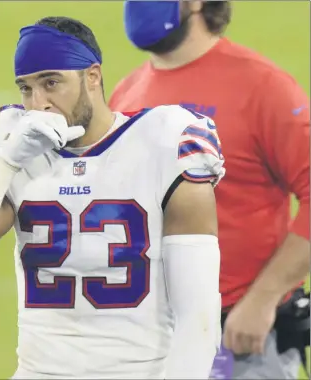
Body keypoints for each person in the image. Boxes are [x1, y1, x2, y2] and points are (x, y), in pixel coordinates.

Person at [0, 16, 225, 380]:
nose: (39, 104)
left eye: (52, 83)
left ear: (93, 77)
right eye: (25, 88)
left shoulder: (164, 141)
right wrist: (6, 162)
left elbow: (199, 317)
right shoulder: (15, 145)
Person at [109, 1, 310, 379]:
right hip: (149, 341)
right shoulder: (126, 94)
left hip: (241, 341)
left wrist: (264, 298)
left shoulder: (263, 87)